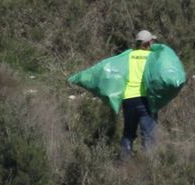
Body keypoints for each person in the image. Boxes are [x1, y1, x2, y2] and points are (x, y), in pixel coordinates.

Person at [68, 29, 186, 160]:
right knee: (148, 134)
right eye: (152, 41)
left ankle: (125, 161)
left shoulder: (128, 55)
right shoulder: (152, 57)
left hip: (128, 100)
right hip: (145, 100)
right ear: (148, 43)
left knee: (128, 132)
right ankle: (150, 166)